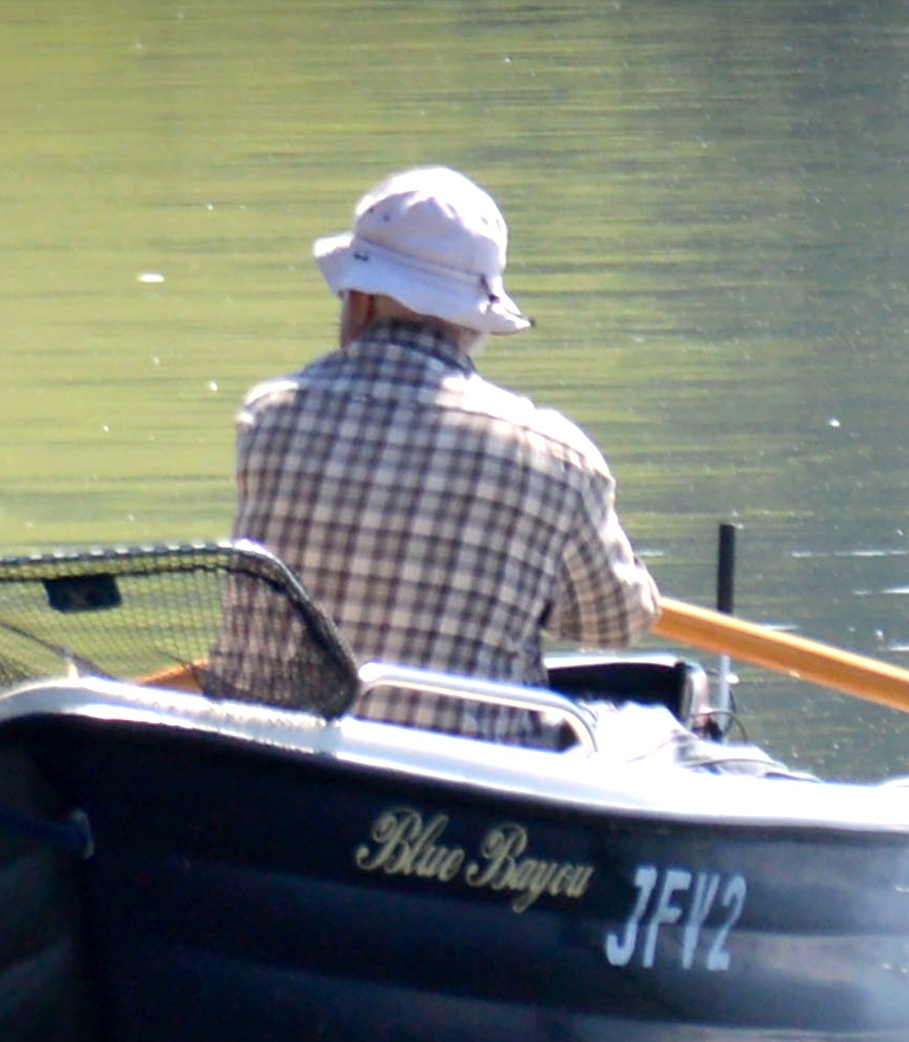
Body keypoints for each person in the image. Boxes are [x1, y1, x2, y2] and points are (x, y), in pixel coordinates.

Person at [213, 165, 660, 742]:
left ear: (364, 300)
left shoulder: (268, 416)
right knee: (651, 730)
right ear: (476, 319)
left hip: (270, 764)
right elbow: (614, 623)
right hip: (460, 780)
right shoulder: (557, 458)